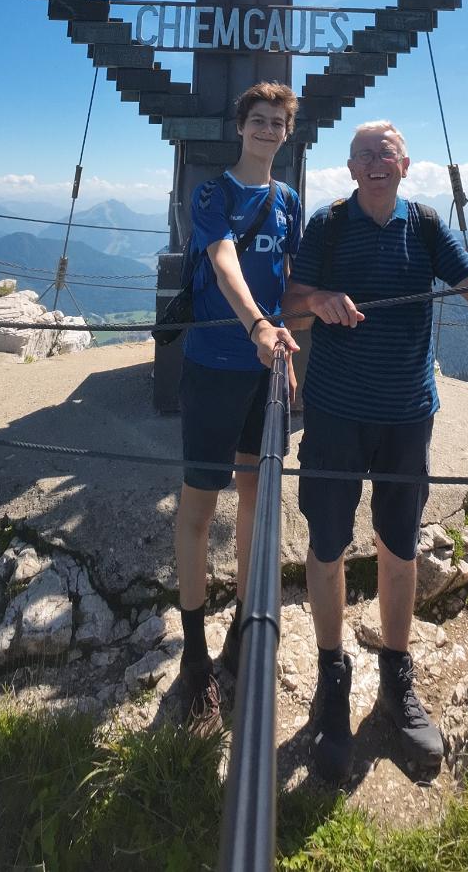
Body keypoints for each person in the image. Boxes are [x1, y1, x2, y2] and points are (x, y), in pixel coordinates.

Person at [281, 120, 468, 783]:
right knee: (326, 545)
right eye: (363, 155)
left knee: (400, 545)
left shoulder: (425, 226)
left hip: (406, 415)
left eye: (385, 153)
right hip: (333, 413)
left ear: (405, 165)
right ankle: (332, 678)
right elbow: (288, 301)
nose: (374, 162)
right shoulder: (327, 226)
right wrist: (318, 299)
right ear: (350, 169)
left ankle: (396, 676)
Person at [175, 81, 301, 733]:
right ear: (240, 126)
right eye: (258, 119)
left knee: (255, 497)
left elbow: (292, 279)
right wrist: (257, 326)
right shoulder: (212, 195)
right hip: (216, 366)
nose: (267, 130)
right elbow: (224, 262)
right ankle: (194, 657)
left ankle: (242, 636)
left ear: (288, 133)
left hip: (265, 367)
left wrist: (288, 347)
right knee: (199, 507)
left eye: (278, 122)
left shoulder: (289, 201)